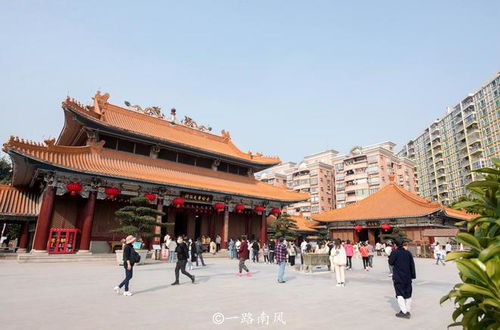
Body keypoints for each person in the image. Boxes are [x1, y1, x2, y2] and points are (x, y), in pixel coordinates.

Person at [389, 238, 416, 319]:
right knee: (408, 294)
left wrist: (390, 254)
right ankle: (407, 310)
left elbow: (391, 262)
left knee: (399, 293)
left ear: (395, 245)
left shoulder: (395, 252)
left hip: (398, 277)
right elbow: (412, 265)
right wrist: (413, 275)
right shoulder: (408, 253)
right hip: (408, 277)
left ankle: (404, 312)